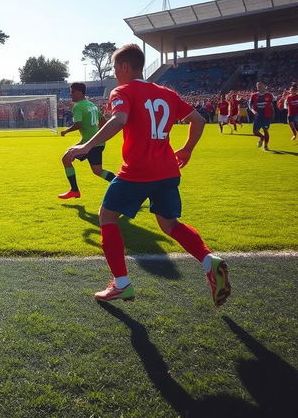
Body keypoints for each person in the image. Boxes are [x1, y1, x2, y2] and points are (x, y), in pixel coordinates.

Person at [65, 44, 230, 307]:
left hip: (137, 171)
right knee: (169, 224)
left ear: (124, 67)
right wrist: (187, 149)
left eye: (114, 67)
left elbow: (119, 120)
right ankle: (210, 261)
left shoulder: (123, 91)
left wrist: (86, 146)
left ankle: (121, 284)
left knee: (106, 217)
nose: (114, 73)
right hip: (167, 171)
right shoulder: (166, 93)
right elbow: (198, 120)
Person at [58, 82, 115, 200]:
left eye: (72, 91)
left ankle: (74, 190)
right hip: (97, 142)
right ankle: (121, 184)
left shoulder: (78, 106)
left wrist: (65, 131)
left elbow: (78, 124)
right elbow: (103, 121)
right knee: (97, 170)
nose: (71, 94)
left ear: (80, 92)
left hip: (89, 144)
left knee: (66, 159)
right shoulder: (91, 105)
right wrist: (100, 135)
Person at [249, 82, 275, 151]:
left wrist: (273, 114)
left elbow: (272, 105)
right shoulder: (253, 95)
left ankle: (266, 146)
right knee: (255, 132)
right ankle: (262, 137)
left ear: (264, 86)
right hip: (258, 116)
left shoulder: (269, 95)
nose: (258, 86)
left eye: (260, 85)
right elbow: (250, 105)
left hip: (266, 115)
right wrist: (253, 111)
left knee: (265, 130)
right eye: (257, 85)